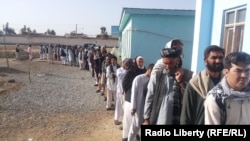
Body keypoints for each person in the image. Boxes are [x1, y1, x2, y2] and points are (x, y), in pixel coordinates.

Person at [180, 45, 225, 125]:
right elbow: (186, 115)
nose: (218, 61)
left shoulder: (227, 83)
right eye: (214, 58)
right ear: (205, 61)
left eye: (221, 58)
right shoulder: (195, 84)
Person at [204, 51, 250, 125]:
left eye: (247, 70)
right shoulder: (216, 98)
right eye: (238, 71)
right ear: (226, 72)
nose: (244, 75)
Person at [143, 48, 184, 125]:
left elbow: (187, 96)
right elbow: (149, 97)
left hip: (177, 117)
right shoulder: (157, 76)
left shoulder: (185, 75)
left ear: (177, 61)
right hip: (158, 117)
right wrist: (146, 118)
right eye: (165, 63)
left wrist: (180, 81)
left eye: (170, 63)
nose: (167, 66)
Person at [128, 63, 154, 141]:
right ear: (149, 70)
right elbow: (134, 93)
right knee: (134, 127)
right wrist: (133, 107)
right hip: (139, 107)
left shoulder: (152, 80)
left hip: (147, 108)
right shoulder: (139, 78)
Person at [122, 56, 146, 141]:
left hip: (141, 101)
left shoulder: (145, 72)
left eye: (142, 61)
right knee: (128, 121)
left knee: (138, 122)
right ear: (135, 62)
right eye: (139, 61)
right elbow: (124, 84)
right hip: (129, 100)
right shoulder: (130, 72)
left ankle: (137, 137)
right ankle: (126, 137)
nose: (141, 62)